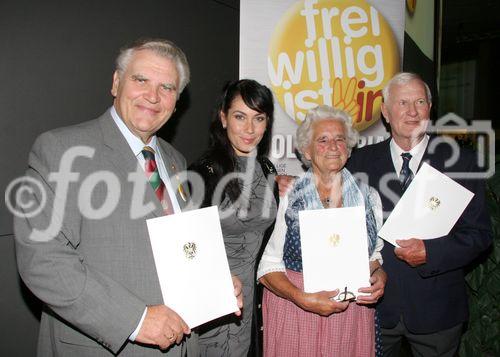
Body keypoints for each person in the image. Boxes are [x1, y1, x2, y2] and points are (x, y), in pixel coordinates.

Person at [14, 38, 242, 357]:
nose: (153, 95)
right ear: (116, 82)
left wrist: (214, 280)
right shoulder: (62, 150)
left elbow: (179, 247)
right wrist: (135, 320)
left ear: (177, 102)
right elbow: (42, 260)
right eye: (141, 80)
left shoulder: (174, 160)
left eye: (167, 87)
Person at [346, 72, 493, 356]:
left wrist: (431, 252)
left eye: (420, 102)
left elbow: (480, 235)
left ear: (430, 109)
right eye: (402, 103)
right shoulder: (358, 163)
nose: (412, 111)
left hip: (438, 310)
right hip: (374, 309)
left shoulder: (461, 162)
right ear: (386, 113)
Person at [257, 105, 387, 356]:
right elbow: (266, 266)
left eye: (340, 139)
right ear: (306, 149)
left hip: (351, 315)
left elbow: (373, 257)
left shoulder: (369, 197)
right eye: (323, 140)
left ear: (349, 149)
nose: (333, 146)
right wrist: (300, 297)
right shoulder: (286, 196)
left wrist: (379, 275)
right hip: (297, 311)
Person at [189, 79, 278, 356]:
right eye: (240, 117)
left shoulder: (266, 167)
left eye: (258, 118)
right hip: (212, 298)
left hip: (253, 300)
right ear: (224, 118)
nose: (250, 129)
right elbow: (189, 250)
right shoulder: (203, 173)